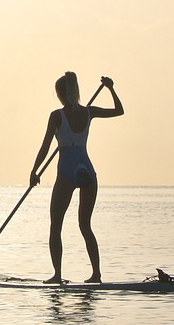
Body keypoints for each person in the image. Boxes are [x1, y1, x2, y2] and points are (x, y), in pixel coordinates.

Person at [29, 72, 124, 284]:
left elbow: (45, 146)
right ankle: (96, 274)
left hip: (67, 170)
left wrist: (34, 171)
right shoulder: (89, 112)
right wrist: (110, 88)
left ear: (62, 93)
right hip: (87, 170)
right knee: (85, 225)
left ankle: (58, 275)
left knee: (56, 225)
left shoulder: (56, 115)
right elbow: (119, 110)